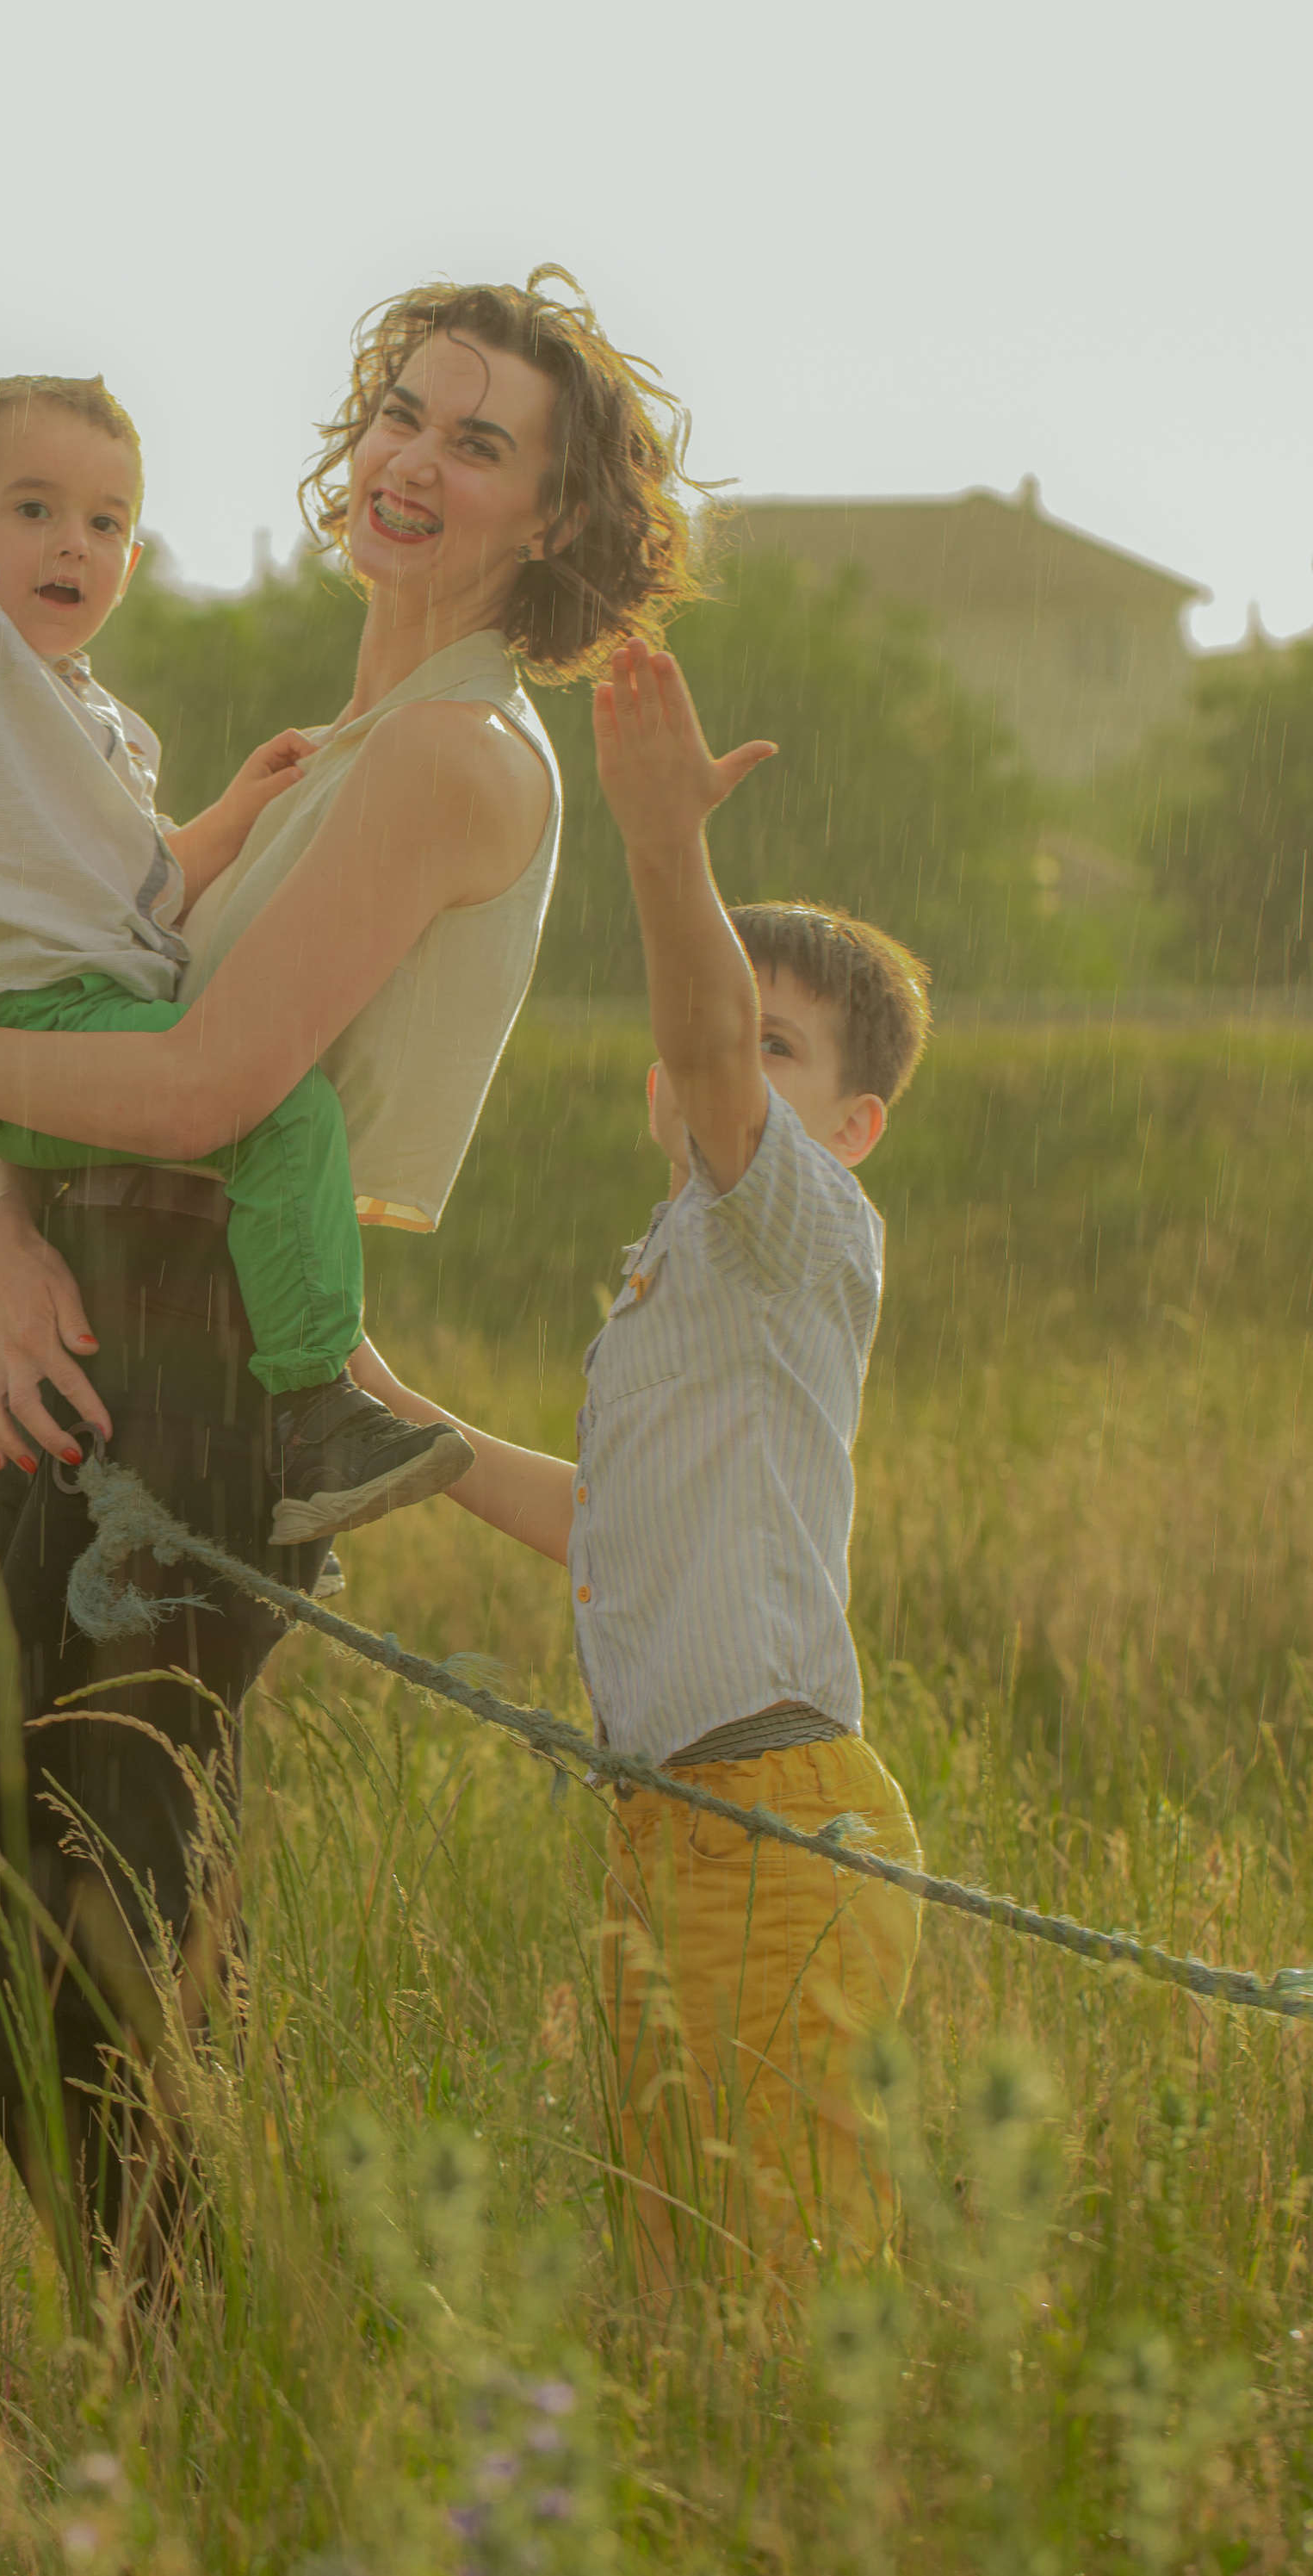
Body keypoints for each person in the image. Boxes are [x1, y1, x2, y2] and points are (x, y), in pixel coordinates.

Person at [0, 269, 697, 2293]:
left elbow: (217, 1085)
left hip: (216, 1371)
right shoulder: (345, 738)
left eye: (476, 443)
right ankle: (162, 2381)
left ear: (549, 523)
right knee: (6, 1922)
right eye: (403, 410)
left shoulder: (457, 757)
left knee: (106, 1941)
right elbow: (122, 998)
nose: (412, 459)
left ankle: (189, 2387)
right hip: (90, 1318)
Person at [353, 638, 934, 2305]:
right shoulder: (674, 1272)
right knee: (668, 2255)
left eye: (778, 1051)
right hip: (669, 1819)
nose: (725, 1068)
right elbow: (614, 1525)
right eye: (715, 1039)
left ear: (853, 1125)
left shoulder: (799, 1232)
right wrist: (406, 1418)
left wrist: (667, 849)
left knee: (786, 2268)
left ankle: (832, 2548)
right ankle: (733, 2538)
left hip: (774, 1816)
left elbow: (700, 1035)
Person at [0, 319, 472, 1548]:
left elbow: (133, 901)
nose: (71, 544)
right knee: (277, 1110)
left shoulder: (108, 730)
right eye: (30, 510)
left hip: (66, 1009)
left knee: (254, 1095)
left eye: (105, 521)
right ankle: (312, 1413)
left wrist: (235, 818)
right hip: (22, 1018)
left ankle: (262, 1457)